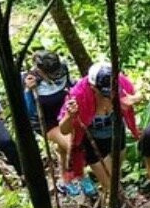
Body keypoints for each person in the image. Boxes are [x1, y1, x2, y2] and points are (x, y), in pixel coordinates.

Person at [58, 62, 143, 199]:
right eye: (104, 93)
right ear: (92, 87)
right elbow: (63, 129)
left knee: (116, 175)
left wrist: (131, 99)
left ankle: (111, 198)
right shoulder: (78, 95)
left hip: (117, 135)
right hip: (94, 143)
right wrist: (70, 116)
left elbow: (138, 95)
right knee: (110, 184)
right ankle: (113, 206)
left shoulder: (120, 81)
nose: (108, 96)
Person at [23, 50, 91, 196]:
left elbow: (70, 85)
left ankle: (65, 180)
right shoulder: (30, 79)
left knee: (64, 148)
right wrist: (29, 90)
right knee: (72, 145)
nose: (56, 74)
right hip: (46, 121)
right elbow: (28, 111)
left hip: (65, 113)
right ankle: (81, 176)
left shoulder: (63, 69)